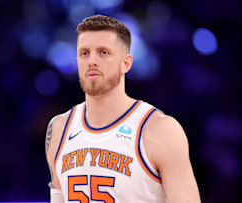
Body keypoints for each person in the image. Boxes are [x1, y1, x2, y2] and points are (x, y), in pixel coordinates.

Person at [45, 14, 200, 203]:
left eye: (103, 52)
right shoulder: (59, 128)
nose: (92, 61)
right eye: (84, 53)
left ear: (126, 63)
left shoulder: (160, 130)